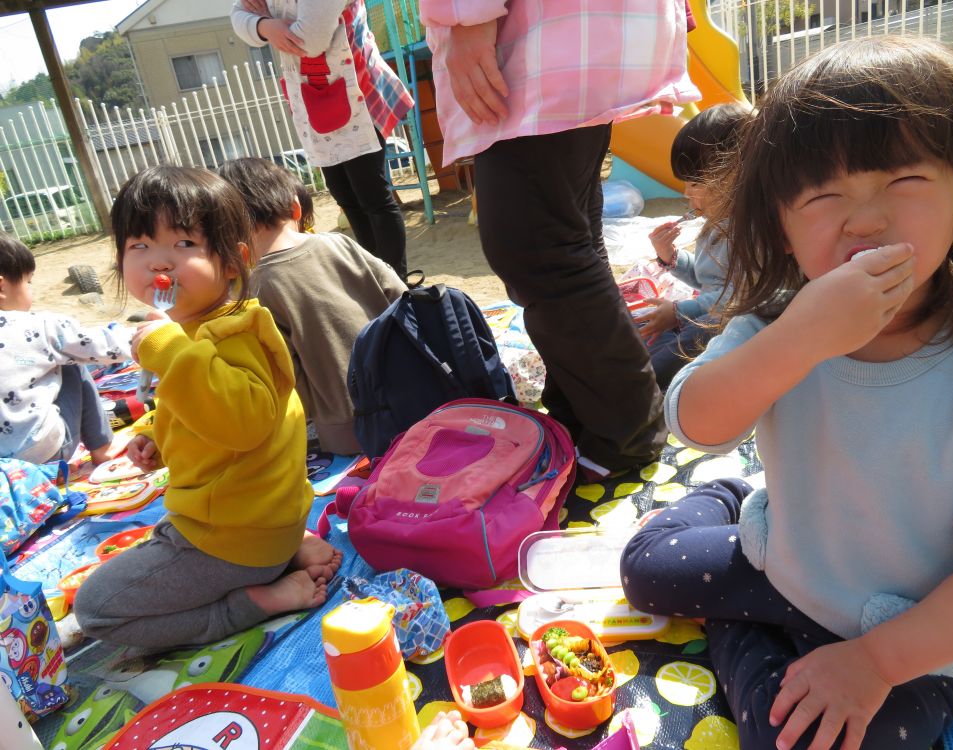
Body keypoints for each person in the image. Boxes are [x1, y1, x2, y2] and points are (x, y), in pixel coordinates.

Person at [620, 36, 953, 750]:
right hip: (784, 565)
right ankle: (732, 503)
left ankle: (744, 628)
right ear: (783, 230)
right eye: (824, 196)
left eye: (904, 180)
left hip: (913, 637)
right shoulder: (779, 324)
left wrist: (871, 663)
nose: (863, 219)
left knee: (802, 738)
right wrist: (800, 340)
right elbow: (696, 424)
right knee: (642, 572)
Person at [420, 0, 699, 474]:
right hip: (574, 35)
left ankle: (626, 431)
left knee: (542, 253)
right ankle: (590, 416)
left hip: (541, 36)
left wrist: (469, 18)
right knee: (567, 246)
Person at [75, 165, 341, 649]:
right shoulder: (200, 327)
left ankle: (259, 600)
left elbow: (241, 422)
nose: (160, 264)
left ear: (234, 261)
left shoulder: (234, 334)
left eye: (183, 245)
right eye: (140, 246)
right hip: (262, 517)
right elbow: (197, 405)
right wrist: (155, 432)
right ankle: (286, 550)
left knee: (95, 610)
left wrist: (167, 351)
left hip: (235, 536)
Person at [218, 157, 406, 455]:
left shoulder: (256, 290)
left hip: (347, 432)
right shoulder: (340, 244)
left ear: (228, 233)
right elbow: (400, 294)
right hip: (411, 400)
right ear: (296, 207)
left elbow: (286, 379)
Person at [231, 0, 413, 279]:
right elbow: (238, 15)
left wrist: (268, 25)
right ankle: (376, 276)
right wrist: (266, 25)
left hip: (355, 90)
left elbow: (310, 40)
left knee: (372, 194)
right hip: (312, 97)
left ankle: (396, 281)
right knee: (344, 194)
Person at [638, 102, 751, 388]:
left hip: (733, 323)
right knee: (647, 330)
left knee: (682, 346)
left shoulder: (747, 232)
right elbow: (708, 279)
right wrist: (671, 257)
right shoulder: (716, 223)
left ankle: (651, 387)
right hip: (708, 314)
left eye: (696, 183)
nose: (686, 193)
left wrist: (678, 311)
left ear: (735, 174)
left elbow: (735, 299)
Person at [0, 233, 132, 466]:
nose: (30, 291)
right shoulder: (37, 326)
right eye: (28, 282)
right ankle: (103, 446)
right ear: (2, 287)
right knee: (70, 362)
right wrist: (148, 335)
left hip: (3, 467)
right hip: (42, 454)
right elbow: (106, 347)